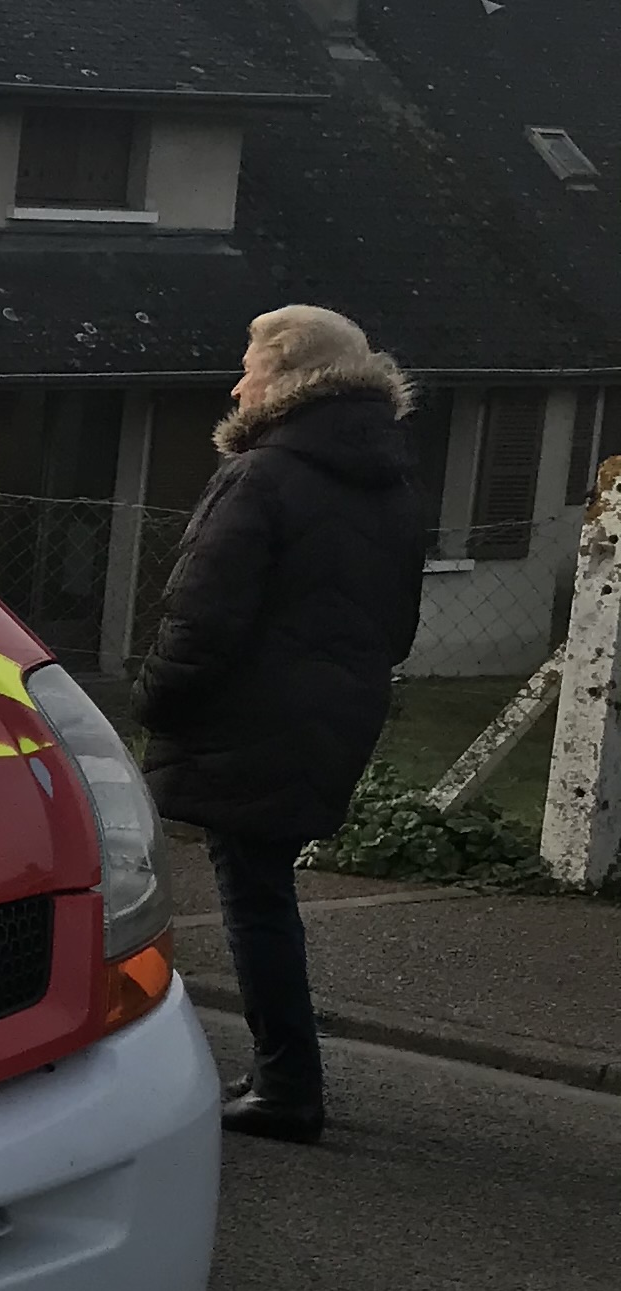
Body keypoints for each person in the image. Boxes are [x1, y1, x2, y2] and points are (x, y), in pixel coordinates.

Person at [137, 305, 429, 1144]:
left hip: (249, 715)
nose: (238, 386)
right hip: (335, 712)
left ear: (293, 378)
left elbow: (201, 613)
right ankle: (280, 1071)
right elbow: (399, 628)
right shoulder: (391, 483)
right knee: (262, 886)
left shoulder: (260, 477)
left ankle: (287, 1085)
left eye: (252, 367)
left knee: (253, 897)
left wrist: (154, 700)